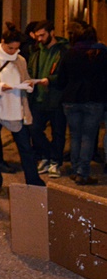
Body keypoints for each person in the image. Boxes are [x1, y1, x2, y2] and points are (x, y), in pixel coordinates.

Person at [0, 25, 46, 195]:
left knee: (25, 147)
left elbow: (26, 78)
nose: (14, 51)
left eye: (16, 48)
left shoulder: (20, 60)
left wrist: (29, 85)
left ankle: (33, 180)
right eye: (10, 48)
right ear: (2, 43)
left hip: (16, 108)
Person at [57, 23, 107, 185]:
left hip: (71, 99)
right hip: (94, 100)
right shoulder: (100, 53)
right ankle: (82, 173)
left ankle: (75, 168)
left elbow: (61, 79)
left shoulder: (69, 54)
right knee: (88, 137)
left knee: (74, 135)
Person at [27, 20, 69, 178]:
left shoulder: (64, 51)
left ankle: (55, 162)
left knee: (58, 132)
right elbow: (31, 70)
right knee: (34, 129)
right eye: (37, 36)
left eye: (42, 35)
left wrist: (50, 80)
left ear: (52, 33)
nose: (39, 39)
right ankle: (47, 156)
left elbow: (66, 75)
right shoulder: (36, 52)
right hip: (38, 98)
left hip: (56, 98)